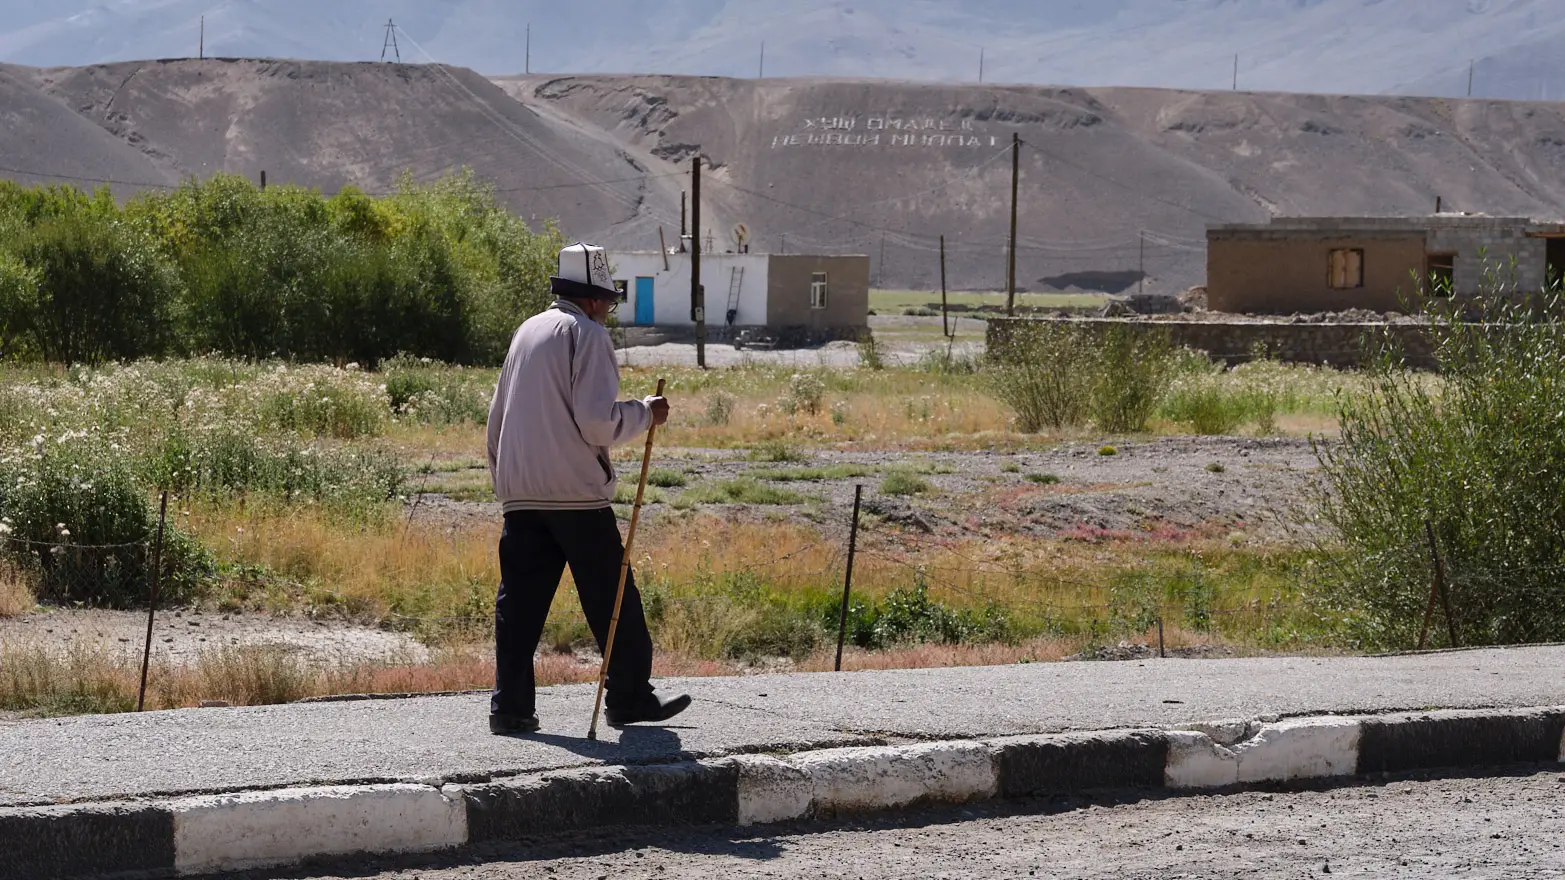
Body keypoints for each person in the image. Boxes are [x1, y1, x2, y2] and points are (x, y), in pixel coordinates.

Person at [485, 242, 690, 735]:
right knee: (612, 595)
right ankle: (629, 696)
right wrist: (645, 412)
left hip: (521, 491)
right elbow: (597, 422)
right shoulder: (588, 335)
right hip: (575, 493)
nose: (608, 309)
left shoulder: (526, 332)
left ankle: (510, 708)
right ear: (595, 299)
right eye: (609, 300)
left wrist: (505, 479)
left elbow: (497, 418)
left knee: (519, 606)